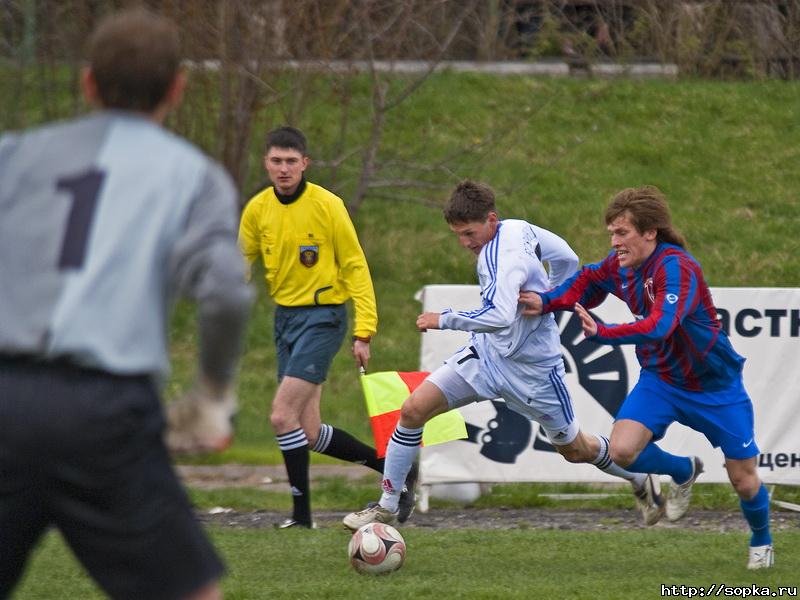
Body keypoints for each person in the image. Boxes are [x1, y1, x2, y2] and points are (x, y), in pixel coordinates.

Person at [0, 9, 253, 600]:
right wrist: (211, 395)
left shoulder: (14, 156)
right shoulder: (193, 176)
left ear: (87, 82)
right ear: (178, 87)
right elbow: (223, 289)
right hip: (104, 409)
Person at [343, 180, 664, 531]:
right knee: (412, 410)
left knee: (575, 449)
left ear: (491, 220)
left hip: (533, 371)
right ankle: (388, 505)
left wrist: (443, 318)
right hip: (486, 357)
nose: (466, 243)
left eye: (469, 233)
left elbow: (497, 317)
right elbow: (567, 257)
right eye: (458, 235)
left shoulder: (505, 257)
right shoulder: (518, 228)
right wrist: (553, 293)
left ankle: (640, 477)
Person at [519, 185, 773, 570]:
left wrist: (603, 333)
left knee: (744, 480)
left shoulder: (677, 268)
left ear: (650, 232)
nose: (614, 242)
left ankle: (762, 541)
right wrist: (547, 302)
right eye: (611, 233)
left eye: (622, 233)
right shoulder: (620, 267)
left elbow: (660, 327)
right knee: (621, 451)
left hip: (715, 388)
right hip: (661, 380)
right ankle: (683, 470)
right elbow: (587, 280)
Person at [239, 126, 416, 529]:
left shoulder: (328, 205)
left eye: (291, 161)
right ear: (266, 163)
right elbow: (241, 261)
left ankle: (302, 518)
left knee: (282, 416)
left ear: (305, 164)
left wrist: (364, 330)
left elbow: (355, 265)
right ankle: (396, 469)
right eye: (275, 161)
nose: (283, 169)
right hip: (284, 318)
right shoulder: (258, 209)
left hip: (324, 317)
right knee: (310, 429)